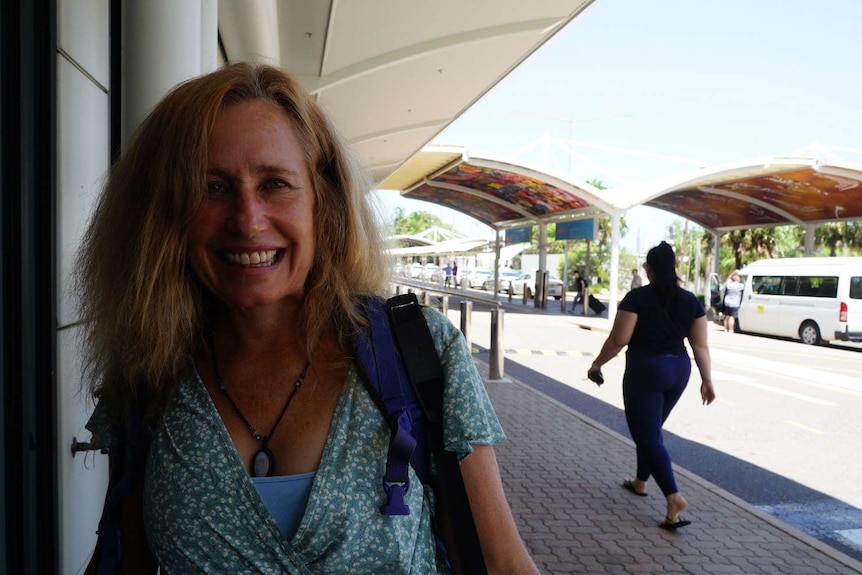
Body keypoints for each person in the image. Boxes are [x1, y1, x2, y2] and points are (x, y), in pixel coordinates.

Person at [77, 63, 538, 574]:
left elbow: (502, 564)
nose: (248, 220)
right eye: (212, 187)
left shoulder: (418, 352)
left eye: (275, 183)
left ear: (325, 204)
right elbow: (124, 559)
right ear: (163, 216)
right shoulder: (149, 372)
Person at [587, 242, 715, 531]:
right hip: (678, 371)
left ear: (649, 268)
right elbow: (701, 346)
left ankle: (673, 497)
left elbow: (619, 340)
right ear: (675, 268)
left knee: (647, 436)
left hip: (646, 370)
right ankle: (640, 482)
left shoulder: (637, 298)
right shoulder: (691, 301)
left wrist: (597, 364)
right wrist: (707, 380)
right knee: (652, 431)